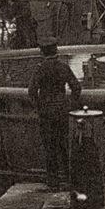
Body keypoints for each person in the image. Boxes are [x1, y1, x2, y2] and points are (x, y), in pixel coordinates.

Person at [27, 38, 82, 188]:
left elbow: (32, 91)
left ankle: (53, 181)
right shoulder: (63, 67)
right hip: (62, 110)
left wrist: (39, 106)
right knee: (64, 144)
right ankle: (69, 178)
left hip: (46, 112)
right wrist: (71, 104)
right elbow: (76, 87)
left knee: (49, 146)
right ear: (56, 51)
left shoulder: (40, 68)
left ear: (42, 52)